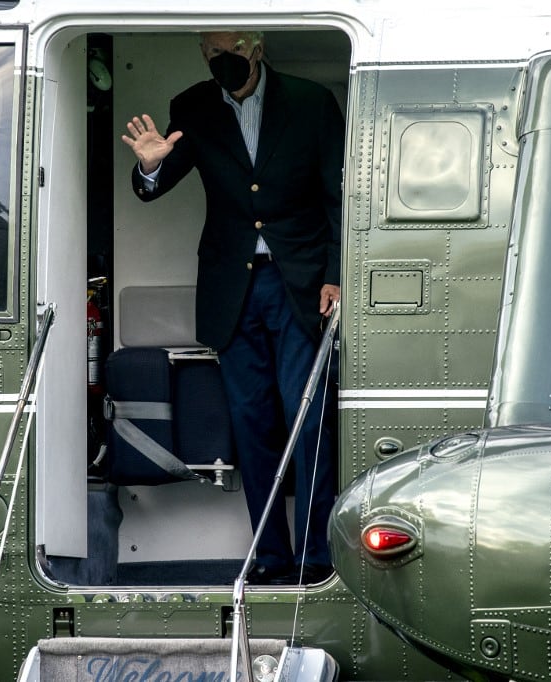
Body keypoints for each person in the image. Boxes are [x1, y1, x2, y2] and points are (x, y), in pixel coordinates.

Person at [122, 31, 344, 585]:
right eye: (211, 51)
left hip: (300, 284)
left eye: (234, 49)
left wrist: (338, 277)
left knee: (308, 417)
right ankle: (270, 557)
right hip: (232, 289)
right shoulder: (192, 106)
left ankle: (317, 556)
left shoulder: (312, 101)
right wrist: (149, 167)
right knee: (251, 424)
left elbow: (340, 196)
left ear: (258, 46)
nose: (224, 60)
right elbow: (156, 184)